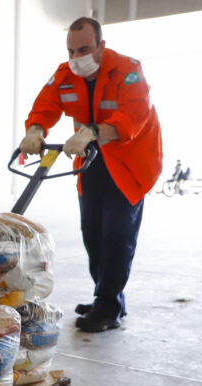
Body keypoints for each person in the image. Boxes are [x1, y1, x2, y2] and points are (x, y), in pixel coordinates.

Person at [20, 17, 162, 332]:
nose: (76, 58)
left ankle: (108, 305)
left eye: (83, 49)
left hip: (129, 163)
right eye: (71, 50)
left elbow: (133, 117)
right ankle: (107, 297)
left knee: (115, 235)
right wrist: (34, 130)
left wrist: (93, 132)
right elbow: (44, 106)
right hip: (91, 161)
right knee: (92, 233)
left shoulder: (127, 71)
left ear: (100, 46)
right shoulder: (65, 75)